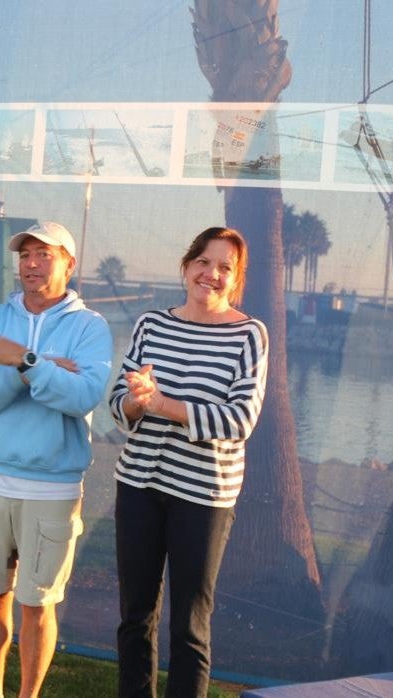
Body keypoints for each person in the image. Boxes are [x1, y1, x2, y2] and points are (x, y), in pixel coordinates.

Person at [0, 221, 112, 698]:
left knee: (38, 604)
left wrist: (24, 361)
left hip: (53, 488)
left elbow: (82, 396)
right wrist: (28, 372)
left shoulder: (90, 327)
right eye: (26, 255)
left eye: (45, 255)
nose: (32, 264)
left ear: (69, 265)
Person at [111, 227, 268, 698]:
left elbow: (240, 419)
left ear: (235, 280)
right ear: (186, 266)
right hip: (138, 486)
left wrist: (163, 405)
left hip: (204, 498)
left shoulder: (249, 335)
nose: (211, 274)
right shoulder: (151, 325)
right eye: (204, 261)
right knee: (135, 618)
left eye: (224, 268)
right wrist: (137, 402)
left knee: (190, 628)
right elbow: (119, 402)